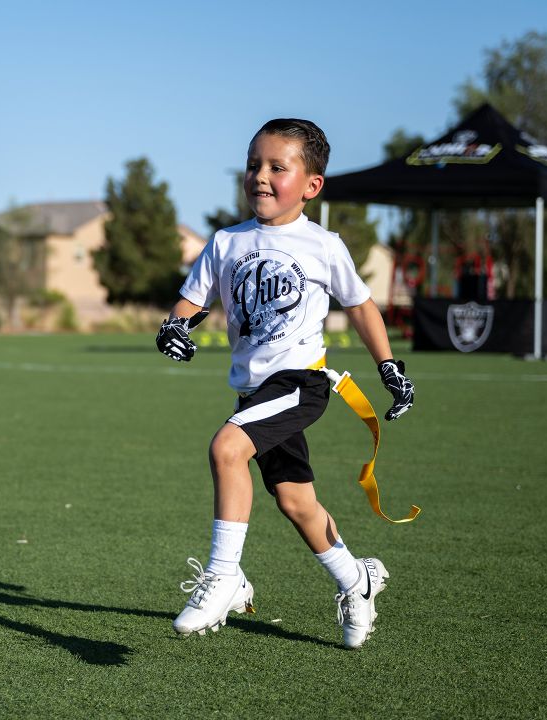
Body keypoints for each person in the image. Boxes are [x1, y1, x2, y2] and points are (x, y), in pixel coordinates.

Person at [155, 118, 415, 649]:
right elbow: (193, 300)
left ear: (311, 185)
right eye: (254, 165)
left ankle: (225, 575)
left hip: (300, 384)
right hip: (255, 394)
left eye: (278, 167)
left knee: (227, 449)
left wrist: (389, 365)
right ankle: (357, 580)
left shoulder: (323, 245)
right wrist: (173, 327)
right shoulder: (226, 242)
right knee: (297, 503)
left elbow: (362, 306)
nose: (261, 177)